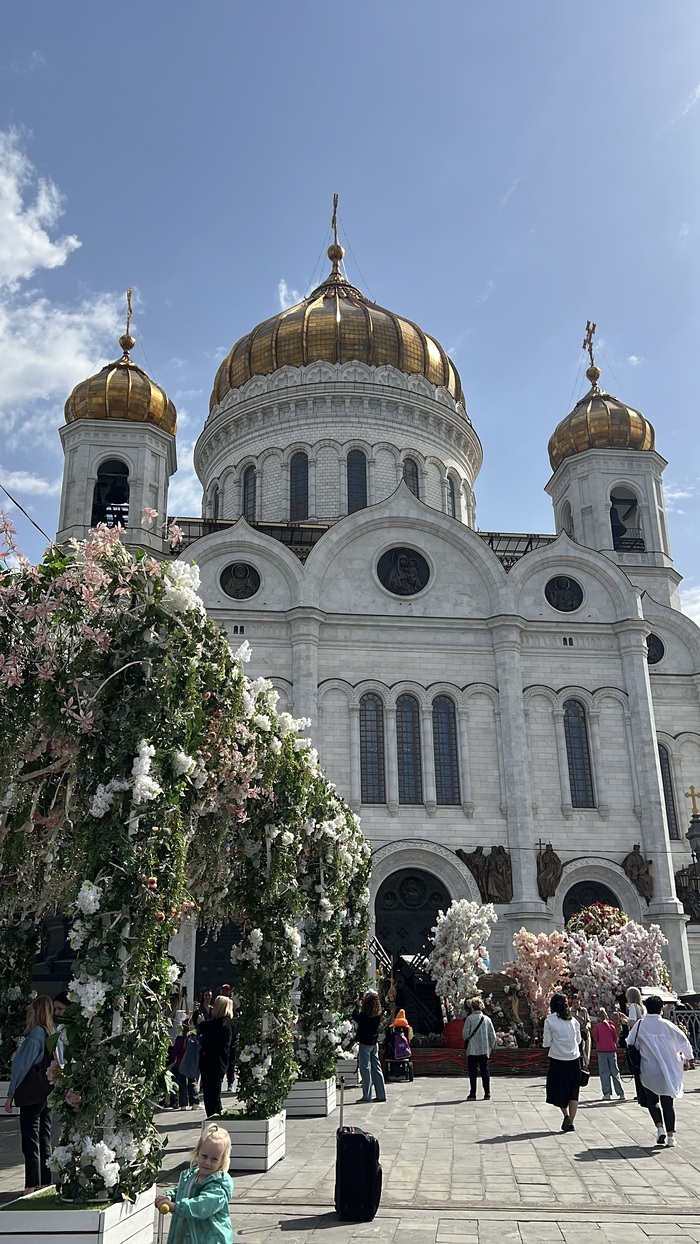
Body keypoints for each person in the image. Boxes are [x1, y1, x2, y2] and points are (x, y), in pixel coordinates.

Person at [4, 996, 59, 1194]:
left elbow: (21, 1067)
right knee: (44, 1137)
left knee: (30, 1138)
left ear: (36, 1012)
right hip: (47, 1092)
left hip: (32, 1094)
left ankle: (31, 1184)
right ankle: (45, 1181)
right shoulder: (52, 1034)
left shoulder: (35, 1036)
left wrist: (11, 1094)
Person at [627, 994, 693, 1148]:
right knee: (668, 1104)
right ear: (661, 1008)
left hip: (648, 1069)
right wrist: (687, 1058)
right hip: (668, 1069)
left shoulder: (640, 1025)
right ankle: (671, 1137)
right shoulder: (667, 1025)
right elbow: (683, 1041)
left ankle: (659, 1128)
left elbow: (630, 1042)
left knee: (652, 1101)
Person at [155, 1122, 234, 1243]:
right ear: (198, 1153)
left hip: (211, 1239)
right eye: (204, 1156)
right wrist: (170, 1196)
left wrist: (176, 1207)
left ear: (222, 1161)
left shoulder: (218, 1187)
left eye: (214, 1159)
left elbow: (202, 1205)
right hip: (190, 1237)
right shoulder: (193, 1176)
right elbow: (183, 1191)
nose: (207, 1162)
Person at [542, 994, 582, 1133]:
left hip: (558, 1060)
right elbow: (578, 1041)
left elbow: (546, 1042)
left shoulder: (549, 1021)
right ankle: (571, 1121)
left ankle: (566, 1115)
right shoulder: (574, 1021)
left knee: (559, 1091)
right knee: (573, 1092)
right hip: (574, 1059)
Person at [198, 995, 234, 1117]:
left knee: (212, 1094)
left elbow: (208, 1031)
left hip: (213, 1062)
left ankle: (215, 1116)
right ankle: (215, 1115)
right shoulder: (226, 1023)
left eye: (216, 1004)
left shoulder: (222, 1024)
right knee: (211, 1093)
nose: (213, 1006)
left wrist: (201, 1024)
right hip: (216, 1062)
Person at [352, 990, 387, 1104]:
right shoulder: (377, 1015)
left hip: (365, 1043)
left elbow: (355, 1016)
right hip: (374, 1042)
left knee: (365, 1068)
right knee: (376, 1067)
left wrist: (357, 1005)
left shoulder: (365, 1015)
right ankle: (381, 1094)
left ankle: (367, 1095)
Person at [462, 996, 497, 1101]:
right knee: (484, 1071)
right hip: (484, 1049)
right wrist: (490, 1048)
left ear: (472, 1008)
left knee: (472, 1072)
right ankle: (487, 1093)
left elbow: (465, 1034)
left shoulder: (469, 1019)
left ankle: (473, 1093)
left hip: (472, 1050)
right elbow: (493, 1036)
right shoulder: (487, 1019)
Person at [593, 1007, 625, 1101]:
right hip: (611, 1049)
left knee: (604, 1072)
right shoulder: (611, 1025)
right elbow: (615, 1037)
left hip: (602, 1050)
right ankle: (620, 1093)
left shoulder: (598, 1026)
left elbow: (596, 1038)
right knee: (615, 1071)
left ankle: (607, 1093)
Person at [172, 1019, 200, 1110]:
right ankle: (195, 1102)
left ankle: (183, 1104)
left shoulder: (179, 1039)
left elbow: (174, 1053)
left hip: (180, 1065)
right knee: (192, 1083)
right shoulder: (194, 1039)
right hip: (191, 1064)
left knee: (182, 1084)